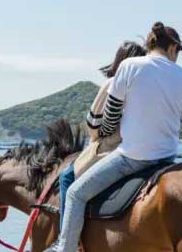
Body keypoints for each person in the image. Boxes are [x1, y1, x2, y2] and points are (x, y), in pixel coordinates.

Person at [32, 22, 182, 252]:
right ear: (172, 48)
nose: (177, 56)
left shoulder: (129, 67)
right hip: (167, 156)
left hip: (133, 157)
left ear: (151, 44)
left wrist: (108, 132)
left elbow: (111, 115)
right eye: (177, 51)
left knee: (74, 192)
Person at [53, 40, 148, 231]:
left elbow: (93, 124)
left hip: (111, 148)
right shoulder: (144, 88)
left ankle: (65, 238)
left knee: (66, 179)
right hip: (145, 147)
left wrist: (99, 135)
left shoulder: (112, 84)